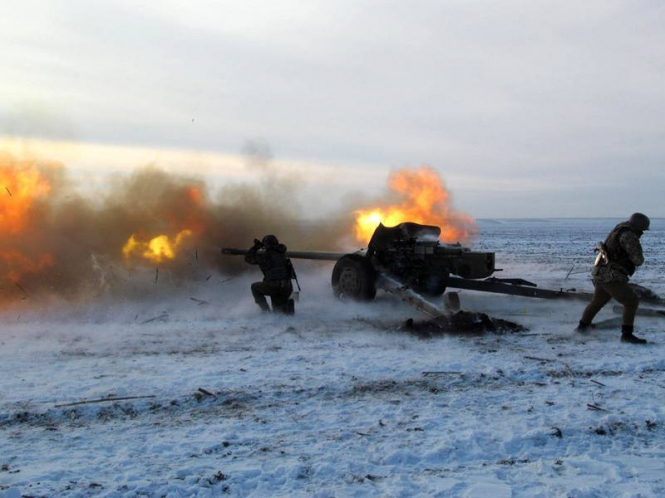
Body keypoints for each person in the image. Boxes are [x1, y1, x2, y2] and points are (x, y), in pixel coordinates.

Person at [577, 213, 650, 344]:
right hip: (612, 276)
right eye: (643, 230)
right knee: (631, 301)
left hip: (601, 272)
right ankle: (627, 335)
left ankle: (582, 327)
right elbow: (638, 260)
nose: (643, 233)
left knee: (597, 302)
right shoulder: (629, 236)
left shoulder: (619, 229)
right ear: (638, 227)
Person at [245, 235, 295, 314]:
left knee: (254, 287)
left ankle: (266, 311)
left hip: (273, 287)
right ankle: (288, 309)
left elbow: (248, 258)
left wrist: (256, 247)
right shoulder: (284, 256)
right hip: (286, 287)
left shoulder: (265, 256)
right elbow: (291, 274)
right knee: (279, 312)